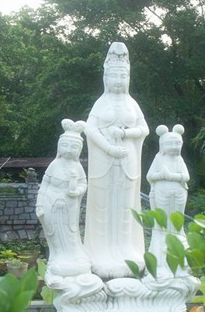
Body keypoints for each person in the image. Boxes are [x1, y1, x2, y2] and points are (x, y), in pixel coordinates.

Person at [84, 42, 149, 279]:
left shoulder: (132, 104)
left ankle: (126, 249)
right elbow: (89, 128)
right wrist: (109, 147)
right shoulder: (101, 103)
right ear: (106, 77)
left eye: (123, 76)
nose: (119, 81)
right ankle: (101, 251)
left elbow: (144, 129)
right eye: (114, 76)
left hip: (127, 162)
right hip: (104, 161)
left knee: (125, 206)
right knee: (103, 206)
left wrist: (125, 133)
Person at [36, 119, 91, 277]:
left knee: (70, 231)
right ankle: (58, 256)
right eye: (65, 145)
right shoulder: (54, 164)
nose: (68, 150)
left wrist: (77, 191)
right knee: (53, 231)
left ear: (79, 150)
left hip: (69, 203)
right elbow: (44, 185)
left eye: (74, 147)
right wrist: (39, 204)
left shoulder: (77, 166)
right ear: (59, 146)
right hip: (51, 199)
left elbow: (83, 183)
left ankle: (73, 257)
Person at [146, 124, 190, 279]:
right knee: (162, 224)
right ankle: (161, 255)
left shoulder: (179, 159)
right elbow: (150, 176)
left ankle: (178, 252)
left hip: (178, 193)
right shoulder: (159, 158)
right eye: (169, 143)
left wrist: (172, 176)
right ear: (162, 145)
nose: (173, 146)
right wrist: (161, 175)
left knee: (176, 223)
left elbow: (186, 177)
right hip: (161, 193)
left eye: (177, 143)